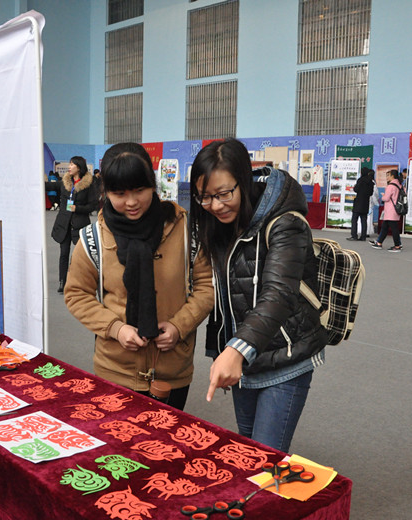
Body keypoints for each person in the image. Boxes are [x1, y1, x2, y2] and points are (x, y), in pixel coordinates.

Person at [190, 138, 327, 452]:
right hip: (246, 358)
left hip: (286, 357)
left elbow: (278, 293)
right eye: (205, 197)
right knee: (248, 450)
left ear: (244, 180)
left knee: (265, 455)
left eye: (224, 193)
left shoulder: (285, 222)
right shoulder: (217, 224)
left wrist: (235, 350)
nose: (216, 205)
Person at [64, 143, 213, 411]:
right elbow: (77, 294)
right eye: (119, 193)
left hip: (172, 368)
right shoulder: (93, 238)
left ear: (153, 185)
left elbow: (206, 286)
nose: (131, 202)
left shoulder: (185, 229)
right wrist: (115, 328)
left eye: (140, 190)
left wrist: (179, 326)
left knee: (167, 436)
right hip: (115, 367)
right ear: (105, 191)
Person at [49, 156, 98, 293]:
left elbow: (93, 205)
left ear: (79, 167)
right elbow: (51, 186)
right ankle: (62, 282)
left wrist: (78, 208)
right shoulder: (65, 182)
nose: (69, 167)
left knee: (79, 256)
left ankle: (78, 282)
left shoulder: (88, 184)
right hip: (64, 224)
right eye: (69, 164)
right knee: (63, 254)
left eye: (72, 164)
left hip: (80, 224)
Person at [370, 169, 404, 252]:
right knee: (385, 227)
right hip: (395, 209)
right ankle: (379, 242)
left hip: (390, 210)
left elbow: (386, 198)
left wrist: (383, 196)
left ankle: (397, 245)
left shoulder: (391, 186)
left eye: (388, 175)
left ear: (392, 176)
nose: (387, 177)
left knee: (393, 228)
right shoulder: (399, 185)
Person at [348, 167, 375, 241]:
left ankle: (354, 235)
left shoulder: (360, 180)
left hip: (358, 202)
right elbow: (371, 193)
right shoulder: (370, 182)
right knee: (364, 220)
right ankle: (363, 236)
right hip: (366, 203)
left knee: (354, 220)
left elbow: (356, 189)